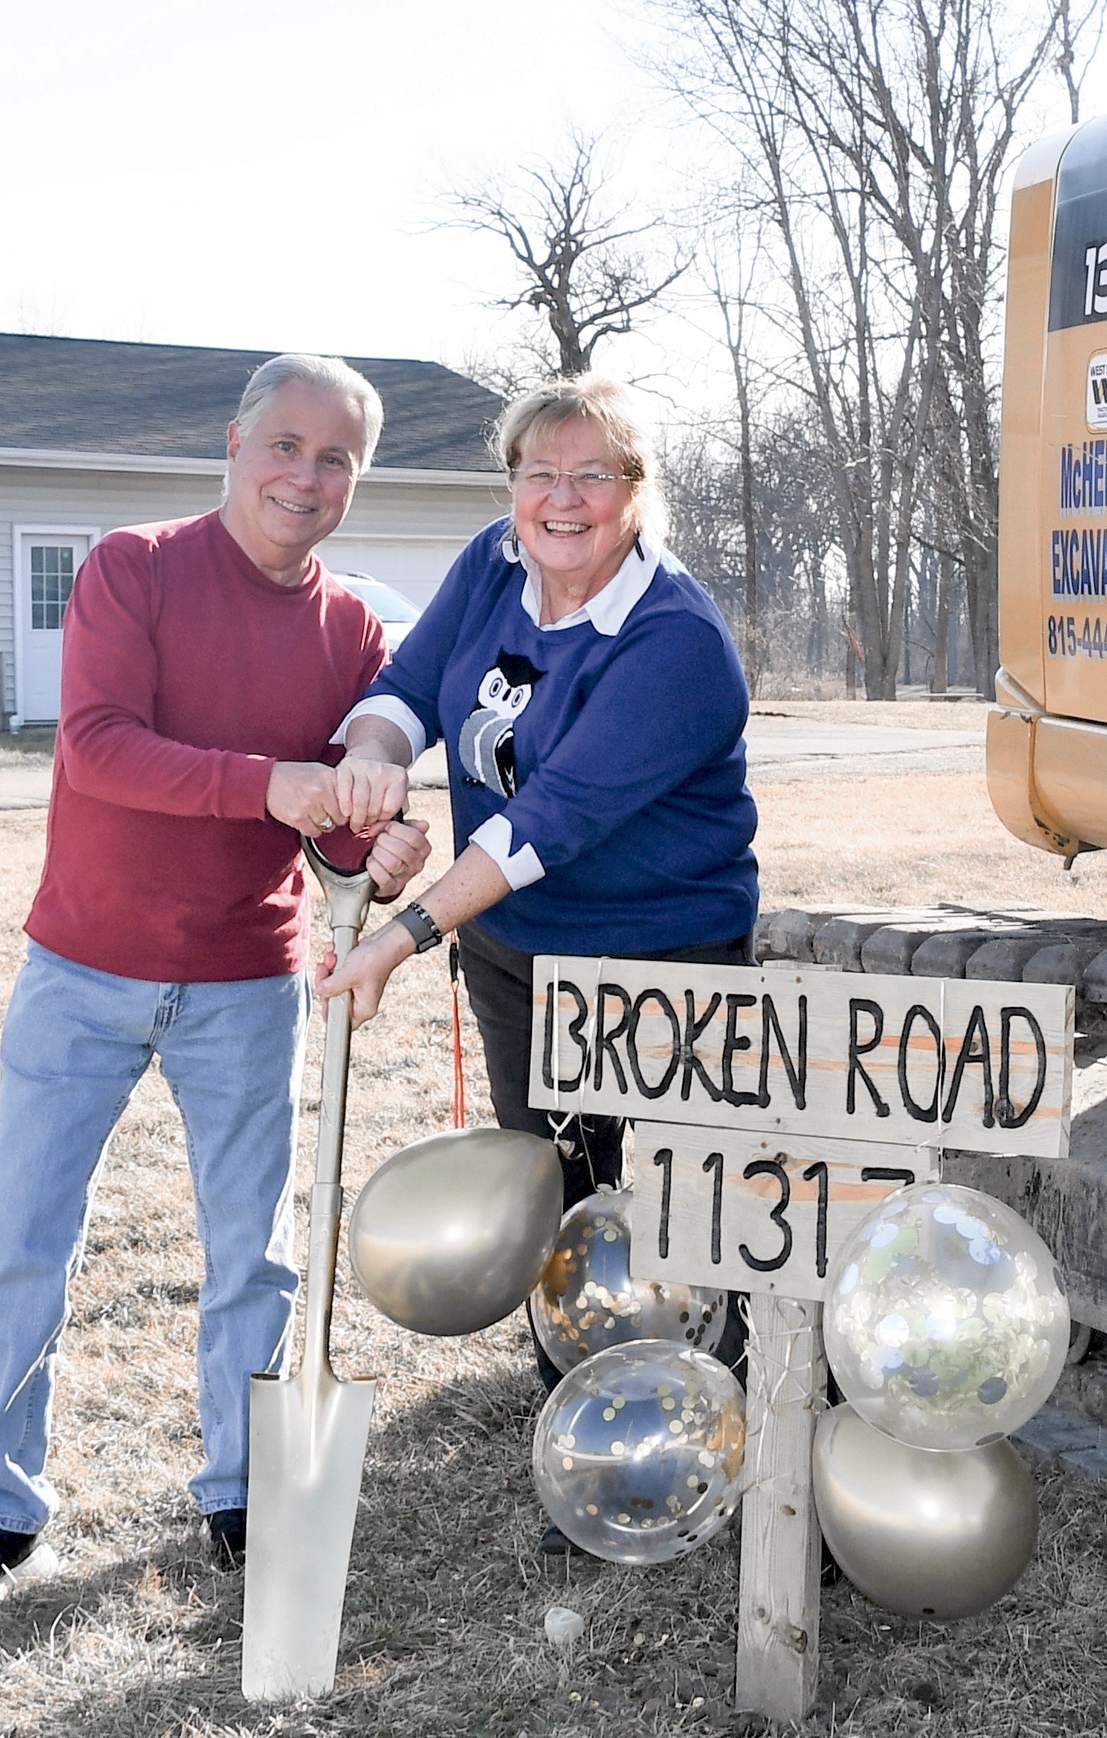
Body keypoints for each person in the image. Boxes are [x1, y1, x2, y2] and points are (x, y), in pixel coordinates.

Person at [0, 353, 427, 1616]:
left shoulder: (355, 630)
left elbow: (337, 838)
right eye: (286, 446)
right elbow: (96, 747)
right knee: (23, 1247)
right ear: (235, 441)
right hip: (80, 966)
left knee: (250, 1257)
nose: (305, 478)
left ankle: (243, 1499)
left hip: (246, 984)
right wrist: (268, 780)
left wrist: (377, 830)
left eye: (336, 460)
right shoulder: (133, 564)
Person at [318, 374, 758, 1547]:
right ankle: (578, 1421)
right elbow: (408, 692)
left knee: (664, 1206)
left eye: (593, 476)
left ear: (635, 493)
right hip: (518, 954)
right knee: (551, 1189)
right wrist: (374, 762)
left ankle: (690, 1440)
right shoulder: (493, 564)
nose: (562, 500)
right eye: (538, 474)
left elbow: (544, 824)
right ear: (512, 483)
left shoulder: (676, 643)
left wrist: (406, 935)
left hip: (664, 953)